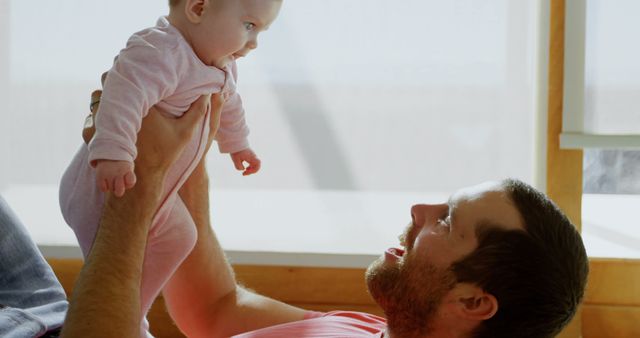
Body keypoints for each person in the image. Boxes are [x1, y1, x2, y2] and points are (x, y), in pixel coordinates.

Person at [2, 95, 588, 337]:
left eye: (445, 221)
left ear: (473, 302)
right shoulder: (370, 330)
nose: (418, 209)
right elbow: (215, 308)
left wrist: (140, 193)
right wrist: (185, 146)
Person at [58, 0, 281, 336]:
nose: (253, 43)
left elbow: (230, 105)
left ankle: (132, 315)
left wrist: (238, 144)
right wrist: (114, 153)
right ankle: (124, 320)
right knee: (113, 264)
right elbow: (121, 95)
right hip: (104, 186)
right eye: (249, 25)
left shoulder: (219, 65)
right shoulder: (160, 50)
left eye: (261, 31)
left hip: (155, 192)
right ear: (198, 7)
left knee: (182, 238)